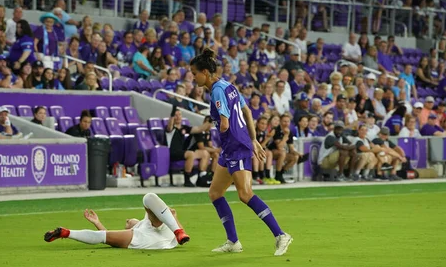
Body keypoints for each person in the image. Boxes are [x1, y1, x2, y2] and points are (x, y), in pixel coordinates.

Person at [191, 49, 292, 256]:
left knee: (245, 194)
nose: (193, 78)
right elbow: (246, 111)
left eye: (194, 73)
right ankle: (233, 241)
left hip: (236, 147)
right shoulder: (229, 86)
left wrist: (217, 128)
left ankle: (281, 235)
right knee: (215, 193)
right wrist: (253, 138)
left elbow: (226, 123)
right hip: (233, 148)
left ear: (205, 72)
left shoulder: (217, 91)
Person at [44, 193, 190, 248]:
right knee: (148, 198)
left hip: (162, 235)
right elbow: (108, 235)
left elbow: (107, 236)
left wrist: (173, 218)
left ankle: (66, 233)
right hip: (151, 238)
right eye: (127, 222)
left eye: (128, 221)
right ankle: (65, 233)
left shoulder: (145, 221)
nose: (127, 220)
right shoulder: (138, 229)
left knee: (149, 198)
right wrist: (97, 223)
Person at [165, 107, 212, 187]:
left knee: (205, 153)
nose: (178, 117)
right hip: (174, 152)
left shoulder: (184, 128)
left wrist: (211, 119)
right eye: (176, 115)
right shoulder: (171, 128)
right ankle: (187, 179)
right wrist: (172, 115)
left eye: (179, 115)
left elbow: (199, 129)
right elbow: (169, 125)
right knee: (190, 154)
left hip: (183, 151)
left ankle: (201, 177)